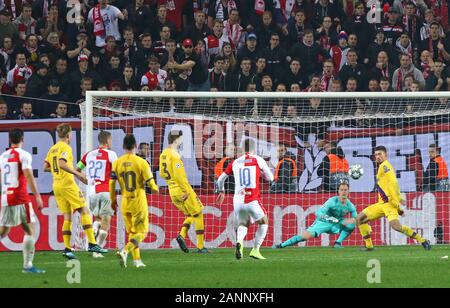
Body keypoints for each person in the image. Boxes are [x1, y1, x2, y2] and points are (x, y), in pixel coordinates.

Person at [44, 123, 107, 260]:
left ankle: (67, 248)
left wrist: (58, 170)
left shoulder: (52, 149)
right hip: (67, 184)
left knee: (67, 217)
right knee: (84, 210)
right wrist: (77, 174)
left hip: (56, 185)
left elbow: (45, 167)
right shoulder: (66, 147)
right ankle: (92, 243)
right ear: (68, 135)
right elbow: (61, 163)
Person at [357, 146, 431, 251]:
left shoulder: (385, 166)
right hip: (381, 204)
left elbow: (393, 183)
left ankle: (422, 240)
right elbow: (388, 186)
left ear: (385, 155)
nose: (378, 156)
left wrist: (396, 203)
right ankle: (369, 246)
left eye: (380, 154)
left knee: (396, 227)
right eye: (376, 154)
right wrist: (400, 199)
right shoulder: (382, 166)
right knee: (360, 219)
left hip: (389, 204)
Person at [216, 139, 274, 260]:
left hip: (238, 200)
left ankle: (239, 242)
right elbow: (270, 178)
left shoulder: (235, 162)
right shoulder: (258, 159)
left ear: (242, 149)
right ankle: (255, 250)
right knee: (264, 221)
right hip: (252, 199)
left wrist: (221, 191)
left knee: (244, 223)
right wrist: (261, 174)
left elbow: (220, 179)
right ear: (254, 148)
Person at [0, 129, 45, 274]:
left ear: (9, 140)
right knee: (30, 230)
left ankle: (28, 266)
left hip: (6, 196)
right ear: (22, 139)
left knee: (4, 231)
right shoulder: (24, 155)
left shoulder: (3, 156)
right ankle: (27, 266)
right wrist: (37, 195)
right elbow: (29, 176)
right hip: (20, 197)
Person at [112, 134, 159, 268]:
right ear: (135, 146)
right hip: (138, 201)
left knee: (132, 232)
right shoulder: (141, 162)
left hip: (124, 201)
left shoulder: (117, 162)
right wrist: (156, 189)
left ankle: (137, 261)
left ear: (123, 146)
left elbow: (111, 184)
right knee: (142, 232)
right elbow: (150, 182)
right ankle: (125, 251)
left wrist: (113, 200)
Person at [159, 130, 208, 253]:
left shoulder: (163, 154)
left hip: (172, 190)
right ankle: (201, 247)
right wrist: (186, 191)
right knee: (199, 213)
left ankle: (181, 235)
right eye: (181, 138)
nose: (182, 141)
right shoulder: (175, 155)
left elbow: (161, 173)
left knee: (192, 214)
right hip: (182, 190)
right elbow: (180, 176)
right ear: (177, 140)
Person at [273, 182, 357, 249]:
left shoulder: (350, 205)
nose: (344, 192)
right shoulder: (332, 201)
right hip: (323, 222)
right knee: (305, 237)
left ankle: (337, 243)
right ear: (338, 191)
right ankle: (281, 245)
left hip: (337, 224)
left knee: (352, 223)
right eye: (341, 190)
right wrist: (329, 219)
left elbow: (357, 218)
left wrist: (356, 220)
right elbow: (319, 213)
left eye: (345, 190)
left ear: (348, 191)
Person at [76, 131, 118, 258]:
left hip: (91, 191)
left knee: (98, 218)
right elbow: (117, 171)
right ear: (107, 141)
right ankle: (97, 249)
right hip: (105, 190)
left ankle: (93, 230)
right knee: (106, 220)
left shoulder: (88, 154)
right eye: (111, 140)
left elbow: (77, 169)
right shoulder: (111, 154)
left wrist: (84, 179)